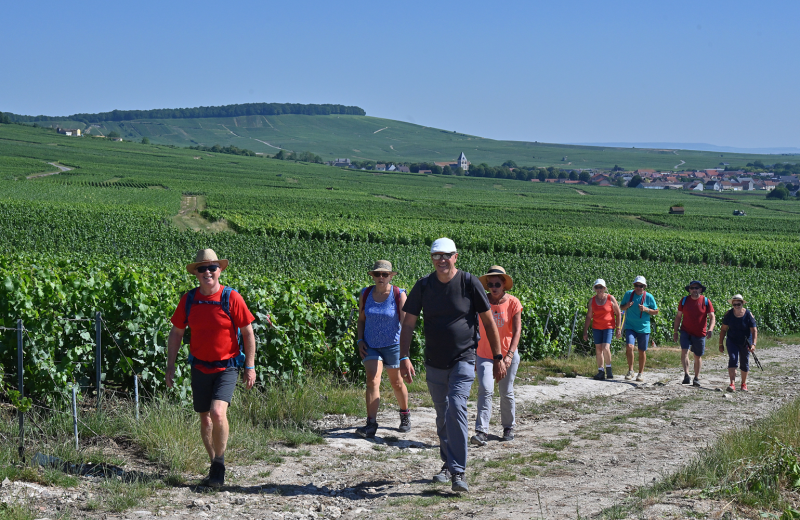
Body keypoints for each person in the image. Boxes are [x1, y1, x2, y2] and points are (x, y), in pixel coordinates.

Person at [399, 238, 505, 493]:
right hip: (434, 361)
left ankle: (458, 471)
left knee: (456, 406)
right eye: (437, 256)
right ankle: (447, 465)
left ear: (456, 256)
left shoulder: (469, 283)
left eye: (446, 255)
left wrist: (498, 356)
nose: (442, 260)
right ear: (432, 258)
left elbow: (489, 322)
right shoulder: (423, 286)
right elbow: (409, 323)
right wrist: (404, 356)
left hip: (464, 358)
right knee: (442, 414)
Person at [166, 249, 258, 488]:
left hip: (227, 366)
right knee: (205, 420)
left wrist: (250, 366)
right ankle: (215, 466)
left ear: (219, 271)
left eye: (212, 267)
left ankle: (219, 464)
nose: (207, 272)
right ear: (195, 273)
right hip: (199, 366)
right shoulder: (189, 300)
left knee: (218, 413)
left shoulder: (231, 298)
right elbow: (176, 333)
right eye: (202, 268)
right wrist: (170, 366)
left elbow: (248, 332)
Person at [355, 260, 410, 438]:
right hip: (371, 345)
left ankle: (404, 414)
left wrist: (404, 353)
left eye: (384, 274)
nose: (381, 277)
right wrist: (360, 340)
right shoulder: (365, 293)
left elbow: (406, 324)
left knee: (396, 383)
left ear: (390, 276)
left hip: (393, 345)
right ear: (372, 276)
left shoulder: (398, 294)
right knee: (372, 380)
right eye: (377, 274)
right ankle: (371, 423)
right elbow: (361, 320)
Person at [471, 266, 522, 446]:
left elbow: (516, 332)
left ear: (504, 285)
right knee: (485, 390)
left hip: (507, 354)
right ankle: (481, 431)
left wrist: (508, 357)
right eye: (490, 284)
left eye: (497, 284)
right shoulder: (480, 301)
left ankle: (508, 427)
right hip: (484, 354)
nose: (493, 287)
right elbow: (474, 328)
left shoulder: (513, 303)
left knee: (506, 391)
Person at [672, 280, 716, 387]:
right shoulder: (684, 300)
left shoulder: (706, 301)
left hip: (700, 333)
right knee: (684, 351)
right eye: (692, 288)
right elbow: (678, 317)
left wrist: (710, 329)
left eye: (696, 288)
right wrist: (675, 331)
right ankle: (686, 375)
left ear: (700, 290)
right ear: (689, 290)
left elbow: (712, 317)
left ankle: (696, 377)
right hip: (685, 331)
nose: (694, 290)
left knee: (697, 356)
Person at [619, 276, 659, 382]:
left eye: (641, 286)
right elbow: (621, 307)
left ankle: (640, 373)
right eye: (636, 285)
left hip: (644, 328)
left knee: (642, 351)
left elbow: (656, 311)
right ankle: (631, 370)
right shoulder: (628, 294)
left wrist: (646, 309)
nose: (638, 288)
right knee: (629, 346)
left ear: (644, 287)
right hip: (630, 326)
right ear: (634, 286)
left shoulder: (649, 297)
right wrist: (626, 305)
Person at [581, 279, 622, 381]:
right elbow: (589, 316)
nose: (599, 289)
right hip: (596, 327)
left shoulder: (610, 299)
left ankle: (609, 369)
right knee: (598, 349)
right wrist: (585, 331)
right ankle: (601, 371)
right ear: (595, 289)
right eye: (597, 287)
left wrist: (618, 328)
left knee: (605, 348)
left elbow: (618, 313)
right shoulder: (592, 301)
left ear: (604, 288)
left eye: (601, 287)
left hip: (608, 327)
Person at [718, 294, 758, 392]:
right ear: (732, 304)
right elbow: (723, 329)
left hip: (745, 341)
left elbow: (754, 330)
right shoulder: (729, 314)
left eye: (738, 304)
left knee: (744, 361)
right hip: (732, 340)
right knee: (733, 358)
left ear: (742, 304)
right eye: (734, 304)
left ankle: (743, 384)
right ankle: (732, 384)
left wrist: (753, 344)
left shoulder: (748, 314)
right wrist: (720, 343)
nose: (736, 306)